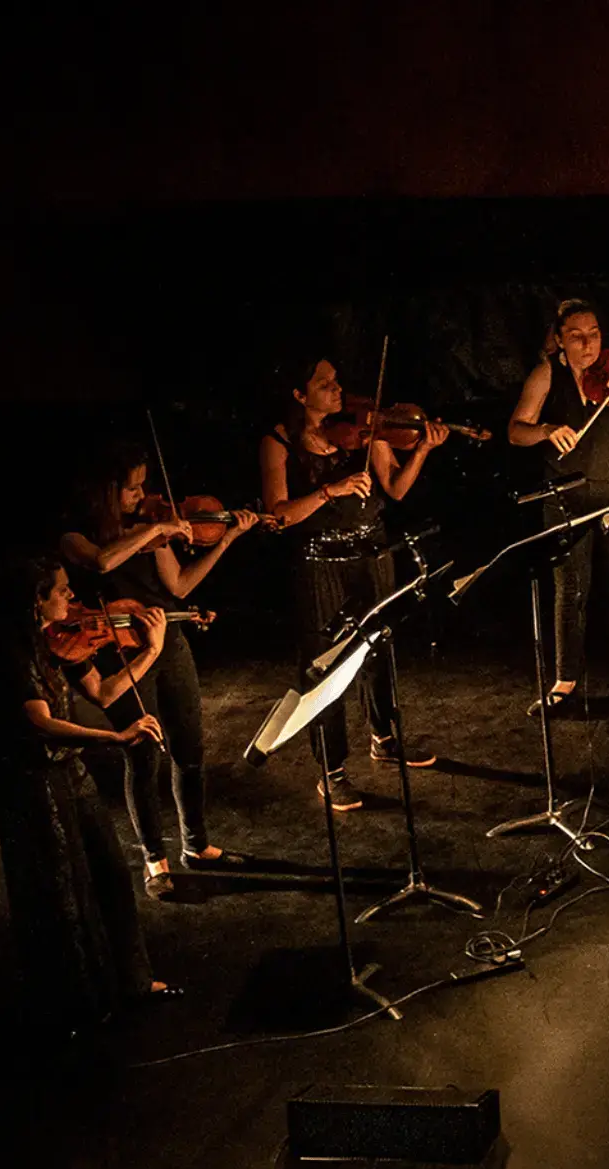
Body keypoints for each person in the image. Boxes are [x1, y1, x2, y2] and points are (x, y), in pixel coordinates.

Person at [0, 554, 178, 1036]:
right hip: (35, 782)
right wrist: (113, 739)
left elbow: (106, 693)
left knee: (111, 872)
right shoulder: (10, 650)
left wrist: (150, 649)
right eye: (63, 592)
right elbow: (41, 723)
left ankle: (134, 981)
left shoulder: (60, 639)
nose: (74, 599)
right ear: (37, 602)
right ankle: (76, 1006)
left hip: (71, 770)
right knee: (60, 893)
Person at [59, 446, 260, 893]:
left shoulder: (153, 532)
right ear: (105, 492)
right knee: (144, 754)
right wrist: (154, 528)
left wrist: (224, 539)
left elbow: (180, 585)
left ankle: (197, 844)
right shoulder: (76, 536)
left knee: (190, 747)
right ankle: (155, 859)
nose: (141, 495)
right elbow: (102, 562)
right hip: (123, 654)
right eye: (131, 488)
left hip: (169, 640)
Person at [261, 358, 446, 810]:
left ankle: (384, 737)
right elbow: (277, 516)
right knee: (325, 667)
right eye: (324, 385)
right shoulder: (279, 442)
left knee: (379, 650)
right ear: (300, 396)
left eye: (337, 381)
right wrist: (331, 490)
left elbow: (396, 490)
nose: (337, 390)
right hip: (318, 565)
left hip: (372, 555)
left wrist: (420, 451)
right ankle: (332, 770)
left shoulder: (364, 430)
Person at [508, 299, 609, 713]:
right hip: (567, 493)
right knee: (570, 591)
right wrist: (544, 429)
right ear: (559, 340)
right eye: (576, 336)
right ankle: (565, 681)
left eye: (593, 333)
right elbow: (515, 431)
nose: (587, 343)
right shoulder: (547, 374)